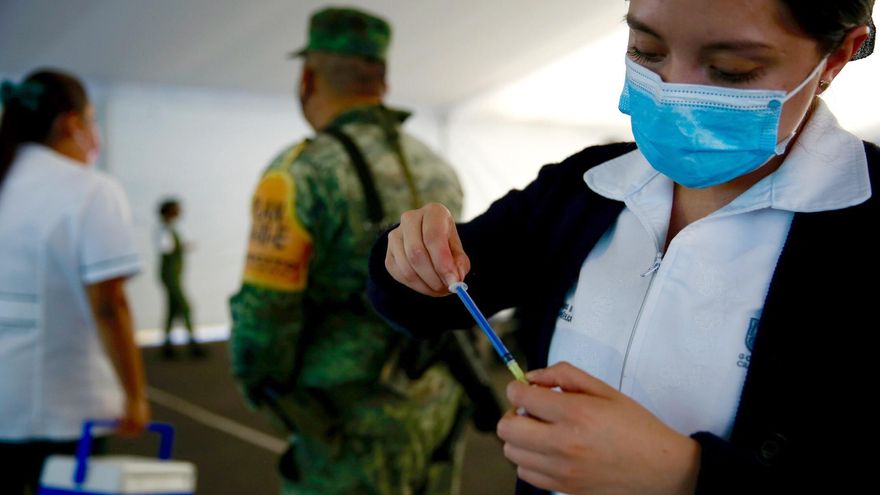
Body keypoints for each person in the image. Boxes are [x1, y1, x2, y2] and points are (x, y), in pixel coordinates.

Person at [367, 1, 878, 494]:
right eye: (647, 52)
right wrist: (409, 257)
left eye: (731, 69)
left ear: (835, 56)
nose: (675, 90)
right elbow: (423, 303)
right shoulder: (584, 186)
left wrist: (686, 475)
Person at [229, 6, 470, 495]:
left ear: (307, 78)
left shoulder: (301, 171)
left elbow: (266, 312)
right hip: (435, 404)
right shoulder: (437, 168)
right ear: (380, 79)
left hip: (347, 423)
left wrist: (265, 387)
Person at [0, 70, 149, 494]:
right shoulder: (90, 190)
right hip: (62, 403)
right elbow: (109, 304)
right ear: (71, 123)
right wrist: (134, 394)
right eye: (92, 119)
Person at [156, 198, 202, 358]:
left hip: (174, 275)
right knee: (185, 307)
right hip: (170, 276)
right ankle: (193, 343)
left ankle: (167, 345)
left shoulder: (170, 229)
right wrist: (182, 247)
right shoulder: (165, 230)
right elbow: (166, 248)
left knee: (172, 310)